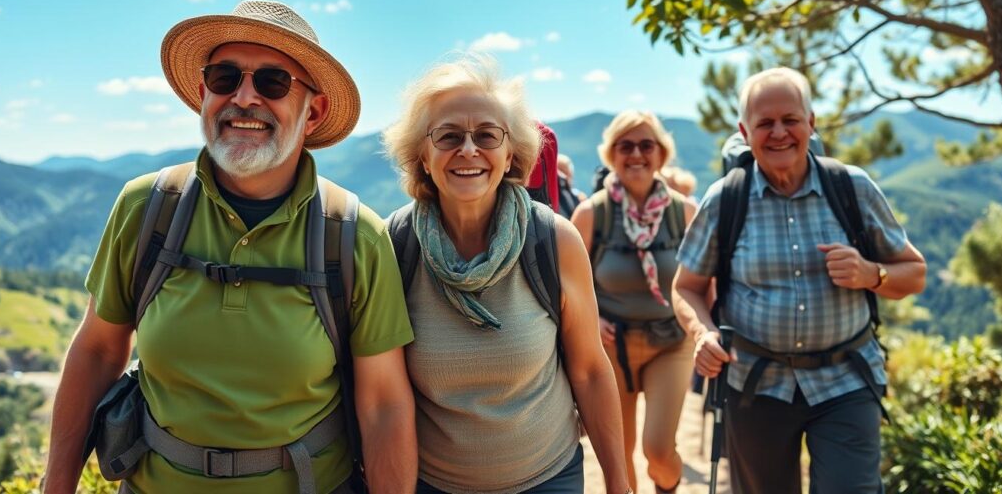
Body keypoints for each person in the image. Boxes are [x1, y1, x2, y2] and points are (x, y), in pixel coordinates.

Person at [43, 0, 417, 494]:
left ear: (314, 111)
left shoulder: (353, 236)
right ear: (203, 94)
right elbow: (96, 350)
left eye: (272, 83)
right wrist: (56, 485)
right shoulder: (148, 209)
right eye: (224, 78)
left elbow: (384, 404)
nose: (244, 97)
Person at [381, 56, 631, 494]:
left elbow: (591, 371)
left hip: (548, 477)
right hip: (433, 483)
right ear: (421, 154)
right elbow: (382, 396)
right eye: (448, 136)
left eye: (487, 135)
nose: (469, 150)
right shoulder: (395, 245)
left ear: (511, 152)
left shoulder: (554, 241)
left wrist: (619, 483)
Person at [672, 67, 927, 494]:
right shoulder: (725, 200)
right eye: (764, 123)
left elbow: (914, 272)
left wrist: (872, 273)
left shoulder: (852, 188)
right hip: (755, 383)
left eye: (790, 120)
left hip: (846, 379)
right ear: (744, 131)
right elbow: (686, 287)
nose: (779, 133)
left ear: (811, 122)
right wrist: (702, 333)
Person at [570, 111, 697, 494]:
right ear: (612, 154)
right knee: (617, 461)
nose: (637, 154)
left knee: (658, 450)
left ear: (662, 154)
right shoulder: (592, 214)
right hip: (610, 350)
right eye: (626, 146)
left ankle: (667, 487)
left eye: (647, 145)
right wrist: (591, 324)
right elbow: (569, 289)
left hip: (671, 344)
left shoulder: (685, 213)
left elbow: (704, 282)